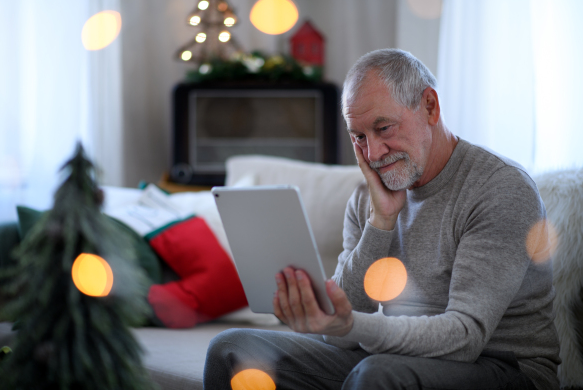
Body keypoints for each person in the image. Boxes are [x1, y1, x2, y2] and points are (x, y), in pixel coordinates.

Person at [203, 49, 560, 390]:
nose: (373, 153)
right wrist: (380, 222)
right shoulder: (368, 198)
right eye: (359, 136)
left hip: (502, 367)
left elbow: (464, 338)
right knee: (232, 351)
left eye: (384, 128)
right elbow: (337, 339)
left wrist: (352, 325)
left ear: (430, 106)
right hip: (395, 362)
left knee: (379, 376)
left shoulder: (499, 189)